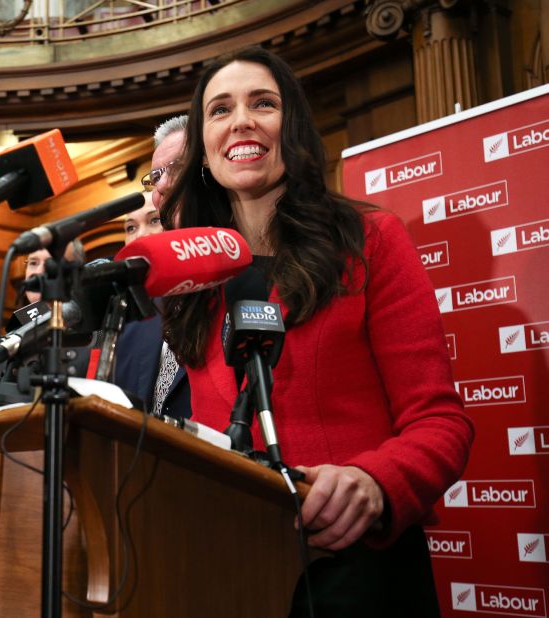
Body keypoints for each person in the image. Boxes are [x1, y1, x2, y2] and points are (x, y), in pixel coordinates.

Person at [158, 46, 473, 616]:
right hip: (225, 566)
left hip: (355, 571)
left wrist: (374, 482)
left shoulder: (368, 240)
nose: (242, 121)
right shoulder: (191, 273)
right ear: (203, 149)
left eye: (264, 103)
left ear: (293, 126)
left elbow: (441, 423)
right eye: (220, 109)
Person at [114, 177, 191, 419]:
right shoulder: (129, 323)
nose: (140, 237)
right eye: (130, 228)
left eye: (154, 220)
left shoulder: (216, 302)